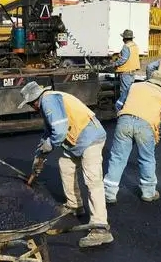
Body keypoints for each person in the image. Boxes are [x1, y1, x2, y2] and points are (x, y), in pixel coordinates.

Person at [17, 81, 113, 248]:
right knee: (65, 164)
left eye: (30, 105)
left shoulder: (48, 101)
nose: (32, 108)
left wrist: (50, 145)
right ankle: (74, 204)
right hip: (76, 141)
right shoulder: (48, 103)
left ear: (34, 101)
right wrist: (39, 156)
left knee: (92, 181)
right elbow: (49, 133)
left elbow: (59, 132)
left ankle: (101, 228)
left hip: (90, 138)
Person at [103, 71, 161, 204]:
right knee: (146, 159)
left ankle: (109, 193)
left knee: (118, 158)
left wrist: (124, 117)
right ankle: (148, 193)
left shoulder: (134, 86)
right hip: (145, 126)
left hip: (124, 122)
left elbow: (118, 104)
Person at [109, 29, 141, 112]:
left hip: (126, 73)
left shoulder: (126, 47)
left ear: (124, 38)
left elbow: (123, 59)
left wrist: (114, 64)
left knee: (125, 93)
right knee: (129, 92)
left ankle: (124, 110)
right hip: (132, 72)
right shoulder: (134, 46)